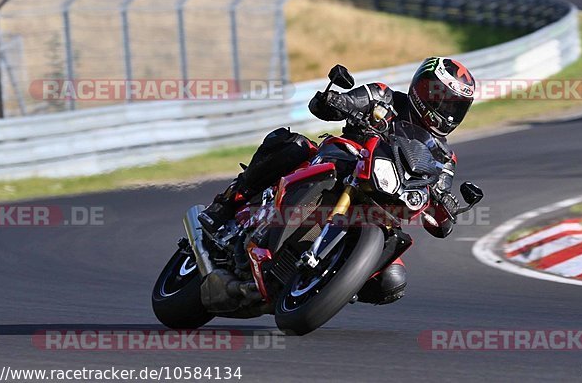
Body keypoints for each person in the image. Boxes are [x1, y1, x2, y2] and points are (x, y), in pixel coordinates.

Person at [199, 57, 476, 304]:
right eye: (440, 97)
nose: (446, 110)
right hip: (344, 163)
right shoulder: (384, 96)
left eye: (455, 105)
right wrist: (337, 102)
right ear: (421, 89)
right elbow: (336, 103)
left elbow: (440, 198)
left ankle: (330, 281)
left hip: (383, 202)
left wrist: (446, 207)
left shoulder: (444, 157)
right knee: (291, 144)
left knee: (393, 280)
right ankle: (228, 202)